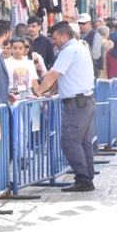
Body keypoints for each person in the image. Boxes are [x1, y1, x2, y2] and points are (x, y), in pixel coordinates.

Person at [33, 22, 96, 192]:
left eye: (54, 38)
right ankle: (87, 177)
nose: (53, 42)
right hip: (85, 101)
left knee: (70, 142)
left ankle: (83, 178)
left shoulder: (68, 51)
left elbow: (54, 74)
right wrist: (51, 92)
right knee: (83, 142)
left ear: (64, 36)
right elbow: (64, 77)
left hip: (77, 104)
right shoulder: (80, 47)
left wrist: (38, 93)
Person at [78, 13, 104, 78]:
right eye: (79, 23)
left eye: (83, 23)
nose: (81, 25)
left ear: (89, 23)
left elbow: (96, 55)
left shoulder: (96, 35)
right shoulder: (78, 35)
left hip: (94, 67)